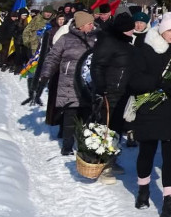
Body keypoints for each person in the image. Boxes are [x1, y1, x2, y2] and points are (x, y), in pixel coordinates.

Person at [127, 12, 171, 217]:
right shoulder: (146, 50)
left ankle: (168, 204)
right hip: (151, 111)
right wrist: (160, 83)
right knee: (147, 152)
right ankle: (143, 190)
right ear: (161, 31)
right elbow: (134, 81)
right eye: (169, 30)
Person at [39, 11, 99, 156]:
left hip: (89, 84)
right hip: (69, 82)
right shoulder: (65, 39)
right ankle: (67, 145)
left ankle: (85, 146)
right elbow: (53, 57)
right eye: (89, 23)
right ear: (80, 25)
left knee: (88, 116)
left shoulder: (98, 39)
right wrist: (46, 74)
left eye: (92, 23)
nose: (92, 26)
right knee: (70, 115)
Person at [90, 10, 137, 178]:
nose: (132, 31)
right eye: (130, 29)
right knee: (106, 128)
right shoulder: (109, 42)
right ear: (122, 30)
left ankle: (110, 161)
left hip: (123, 93)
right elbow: (97, 65)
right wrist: (101, 87)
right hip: (109, 92)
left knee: (115, 129)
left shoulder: (127, 44)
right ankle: (102, 164)